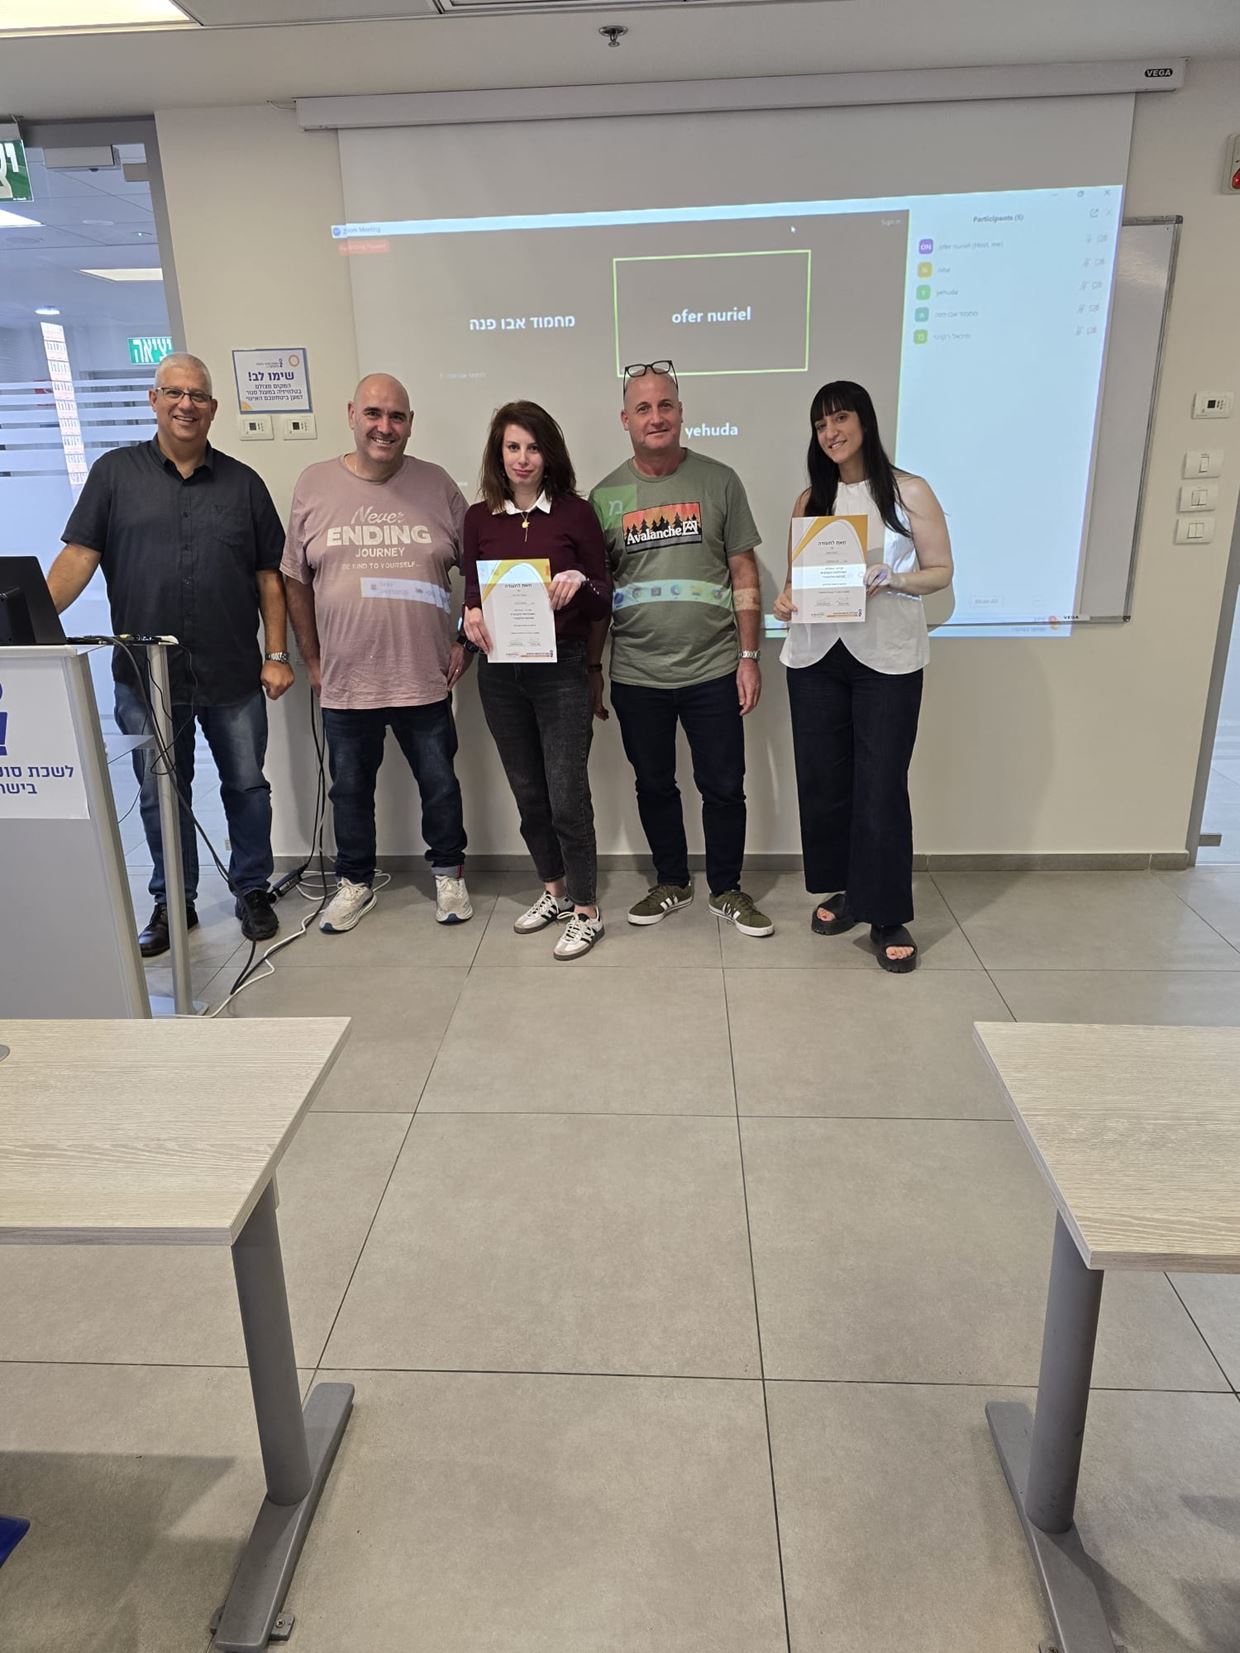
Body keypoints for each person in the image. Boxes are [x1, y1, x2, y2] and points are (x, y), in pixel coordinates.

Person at [47, 351, 292, 957]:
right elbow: (79, 557)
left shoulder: (244, 484)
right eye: (175, 393)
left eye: (198, 396)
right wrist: (27, 622)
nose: (187, 404)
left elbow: (269, 576)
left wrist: (277, 652)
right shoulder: (113, 475)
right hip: (143, 676)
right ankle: (173, 901)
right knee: (160, 793)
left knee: (246, 786)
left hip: (231, 671)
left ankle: (252, 889)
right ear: (154, 400)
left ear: (213, 408)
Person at [282, 372, 473, 933]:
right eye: (373, 413)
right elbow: (294, 578)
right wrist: (311, 659)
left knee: (440, 785)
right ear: (351, 415)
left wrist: (465, 639)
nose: (384, 427)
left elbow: (483, 566)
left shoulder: (438, 485)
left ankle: (449, 874)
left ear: (410, 424)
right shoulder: (314, 483)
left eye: (396, 417)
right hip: (345, 679)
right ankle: (355, 883)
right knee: (349, 791)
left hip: (423, 675)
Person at [588, 360, 773, 937]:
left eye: (665, 405)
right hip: (637, 674)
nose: (656, 417)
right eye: (642, 408)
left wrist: (749, 657)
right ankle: (671, 881)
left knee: (724, 787)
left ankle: (727, 888)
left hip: (714, 669)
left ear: (681, 412)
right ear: (625, 420)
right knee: (654, 785)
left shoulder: (720, 481)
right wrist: (593, 667)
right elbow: (600, 592)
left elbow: (744, 572)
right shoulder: (604, 496)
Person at [774, 380, 953, 972]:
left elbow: (941, 571)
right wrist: (784, 599)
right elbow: (797, 582)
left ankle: (887, 914)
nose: (831, 433)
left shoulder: (909, 491)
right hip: (815, 657)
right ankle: (850, 891)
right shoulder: (810, 500)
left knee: (881, 785)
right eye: (821, 424)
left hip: (887, 657)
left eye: (841, 419)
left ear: (865, 422)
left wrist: (893, 578)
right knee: (825, 783)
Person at [462, 401, 611, 960]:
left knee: (567, 795)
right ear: (498, 454)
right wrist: (469, 617)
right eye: (512, 447)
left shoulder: (575, 513)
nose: (522, 459)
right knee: (528, 792)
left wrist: (580, 582)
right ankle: (554, 889)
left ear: (550, 454)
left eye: (533, 447)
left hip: (562, 670)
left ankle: (586, 909)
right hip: (500, 674)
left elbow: (604, 598)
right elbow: (472, 597)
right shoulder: (479, 518)